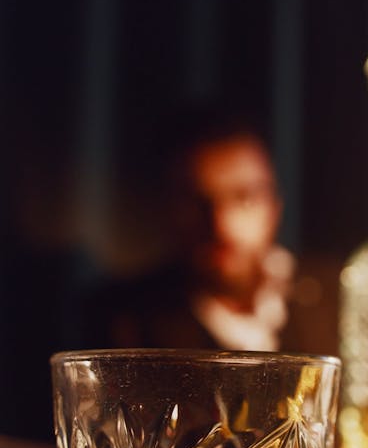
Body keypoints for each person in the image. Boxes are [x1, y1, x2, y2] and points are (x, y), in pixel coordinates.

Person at [81, 103, 340, 356]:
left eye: (244, 197)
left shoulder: (340, 296)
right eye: (196, 201)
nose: (221, 222)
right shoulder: (123, 323)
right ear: (166, 208)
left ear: (274, 206)